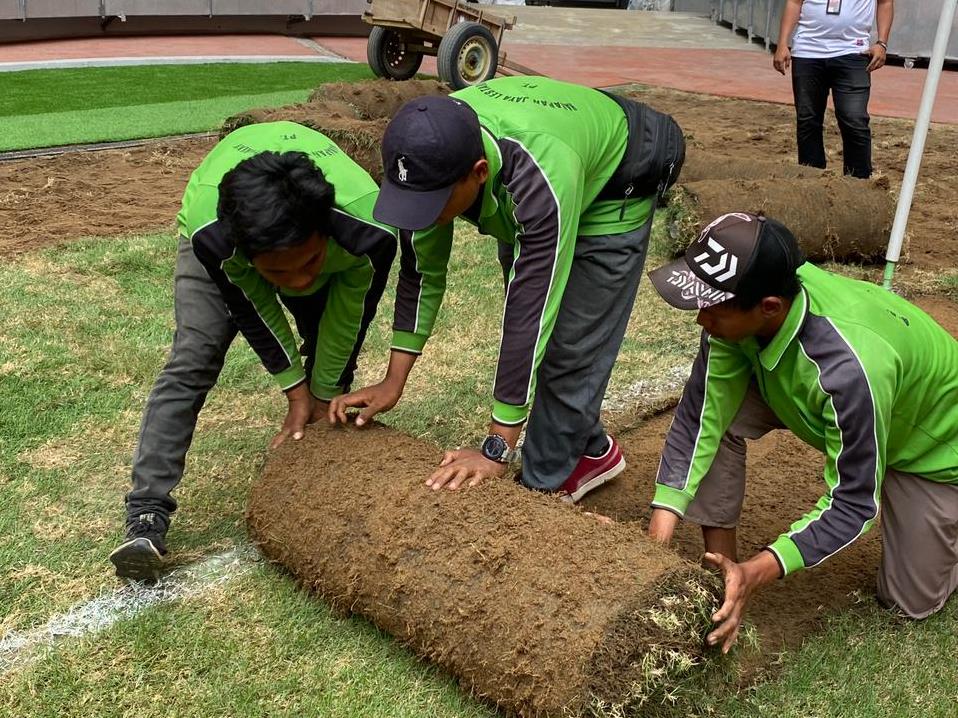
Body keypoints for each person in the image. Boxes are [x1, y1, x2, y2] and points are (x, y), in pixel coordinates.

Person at [328, 76, 684, 502]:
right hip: (555, 158)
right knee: (542, 329)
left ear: (478, 174)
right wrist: (393, 381)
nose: (421, 214)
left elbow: (530, 312)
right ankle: (589, 447)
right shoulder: (431, 146)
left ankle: (543, 489)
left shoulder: (538, 176)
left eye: (434, 202)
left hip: (620, 175)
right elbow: (421, 272)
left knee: (569, 345)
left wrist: (497, 448)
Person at [645, 211, 958, 652]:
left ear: (769, 307)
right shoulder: (754, 289)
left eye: (713, 307)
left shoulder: (850, 369)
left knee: (908, 602)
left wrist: (759, 570)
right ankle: (721, 572)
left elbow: (851, 504)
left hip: (933, 450)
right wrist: (653, 545)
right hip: (831, 395)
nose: (702, 319)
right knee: (721, 419)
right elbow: (701, 420)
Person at [110, 121, 398, 581]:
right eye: (281, 274)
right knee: (194, 357)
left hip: (331, 246)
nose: (300, 282)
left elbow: (349, 317)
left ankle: (323, 463)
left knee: (328, 363)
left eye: (308, 264)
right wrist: (294, 390)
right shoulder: (217, 238)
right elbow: (253, 309)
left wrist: (321, 392)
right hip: (215, 237)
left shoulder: (368, 232)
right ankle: (147, 512)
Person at [773, 0, 895, 178]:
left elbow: (885, 3)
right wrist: (782, 43)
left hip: (853, 52)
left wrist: (882, 43)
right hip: (808, 51)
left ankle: (858, 184)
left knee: (854, 119)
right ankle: (811, 180)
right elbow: (794, 2)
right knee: (808, 119)